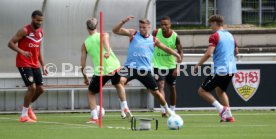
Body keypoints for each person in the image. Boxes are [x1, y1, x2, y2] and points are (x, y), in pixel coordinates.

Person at [112, 16, 182, 117]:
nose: (141, 29)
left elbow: (166, 48)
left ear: (149, 27)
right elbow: (115, 30)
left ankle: (168, 110)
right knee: (119, 82)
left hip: (144, 70)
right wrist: (123, 21)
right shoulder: (133, 33)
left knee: (156, 93)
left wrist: (176, 54)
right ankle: (125, 108)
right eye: (140, 27)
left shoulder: (153, 39)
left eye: (144, 27)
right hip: (130, 68)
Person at [81, 18, 132, 124]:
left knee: (91, 93)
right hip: (115, 67)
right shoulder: (104, 34)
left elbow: (82, 64)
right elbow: (106, 43)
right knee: (118, 84)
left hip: (101, 71)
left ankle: (95, 118)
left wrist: (85, 77)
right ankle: (125, 107)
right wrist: (108, 51)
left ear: (87, 28)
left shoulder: (85, 44)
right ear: (97, 27)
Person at [194, 15, 239, 122]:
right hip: (231, 69)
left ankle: (221, 109)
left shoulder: (215, 36)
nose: (210, 26)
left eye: (211, 24)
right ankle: (229, 116)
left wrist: (198, 64)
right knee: (220, 91)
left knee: (202, 91)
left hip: (220, 70)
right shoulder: (230, 35)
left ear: (215, 23)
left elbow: (209, 53)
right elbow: (236, 52)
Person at [8, 10, 48, 123]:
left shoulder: (40, 32)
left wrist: (43, 65)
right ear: (32, 18)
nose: (39, 22)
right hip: (23, 63)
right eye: (37, 20)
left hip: (35, 64)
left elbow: (38, 49)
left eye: (41, 21)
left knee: (40, 89)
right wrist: (22, 52)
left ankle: (27, 107)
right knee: (32, 88)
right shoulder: (24, 30)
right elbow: (10, 43)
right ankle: (24, 116)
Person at [152, 16, 183, 117]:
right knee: (160, 86)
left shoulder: (175, 36)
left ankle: (172, 109)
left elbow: (180, 52)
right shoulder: (155, 33)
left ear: (170, 25)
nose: (164, 26)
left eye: (166, 24)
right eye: (162, 25)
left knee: (172, 88)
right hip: (157, 64)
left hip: (171, 65)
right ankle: (164, 110)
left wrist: (177, 67)